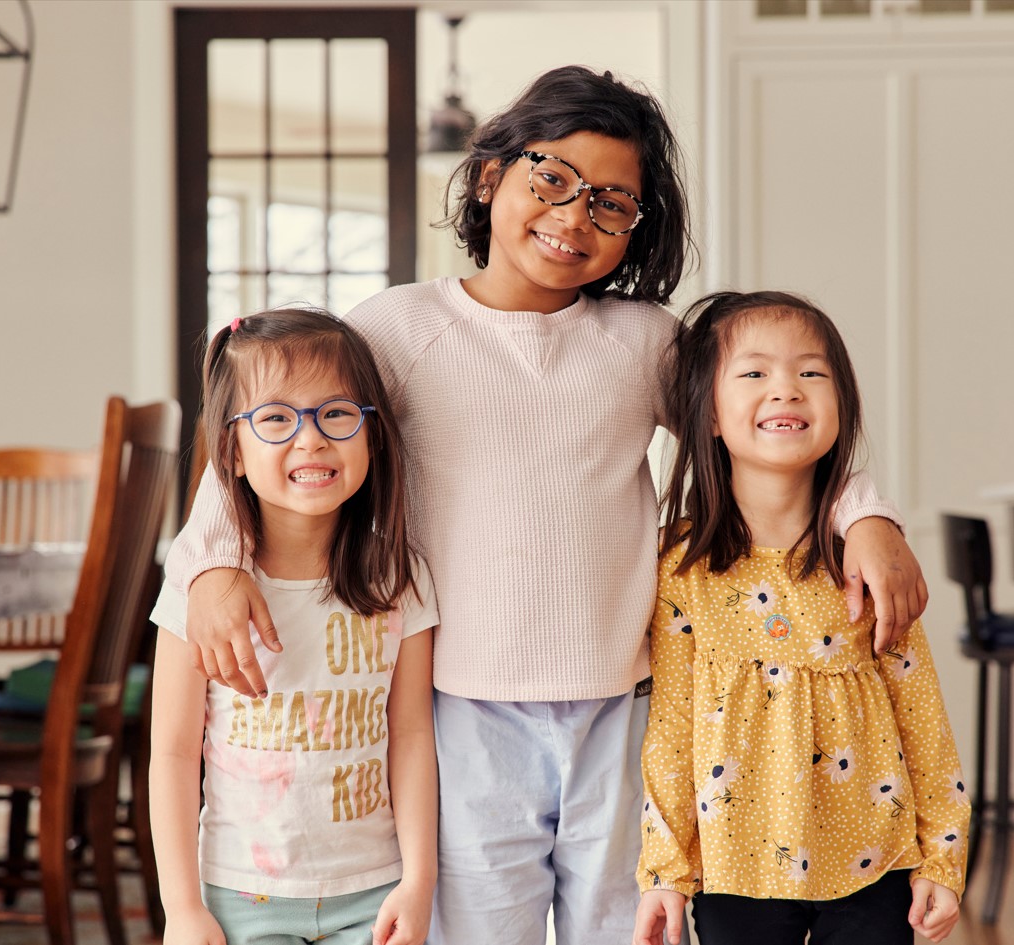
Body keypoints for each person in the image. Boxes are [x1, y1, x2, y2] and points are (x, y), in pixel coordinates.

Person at [164, 67, 929, 945]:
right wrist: (214, 561)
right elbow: (273, 435)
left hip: (622, 703)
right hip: (462, 710)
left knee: (623, 929)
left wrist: (865, 515)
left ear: (636, 227)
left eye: (611, 202)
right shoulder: (398, 329)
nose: (574, 217)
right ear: (490, 177)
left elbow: (764, 424)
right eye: (552, 179)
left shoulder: (641, 341)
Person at [633, 291, 967, 945]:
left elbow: (922, 716)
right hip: (736, 868)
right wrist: (664, 872)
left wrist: (943, 857)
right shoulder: (679, 565)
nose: (785, 389)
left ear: (840, 405)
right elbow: (670, 727)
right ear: (707, 414)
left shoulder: (871, 561)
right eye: (754, 373)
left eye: (810, 372)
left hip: (875, 863)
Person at [148, 309, 439, 945]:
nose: (310, 440)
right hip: (240, 896)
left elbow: (411, 733)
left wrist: (418, 883)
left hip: (374, 891)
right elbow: (172, 752)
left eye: (335, 413)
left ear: (372, 433)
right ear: (233, 448)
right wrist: (182, 908)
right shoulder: (199, 593)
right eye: (276, 419)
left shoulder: (400, 576)